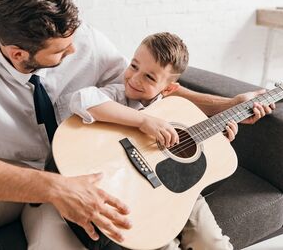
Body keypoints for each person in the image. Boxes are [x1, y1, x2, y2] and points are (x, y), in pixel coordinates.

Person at [0, 0, 273, 250]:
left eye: (74, 39)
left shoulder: (81, 38)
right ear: (17, 54)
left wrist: (226, 105)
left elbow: (150, 91)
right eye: (60, 50)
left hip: (84, 177)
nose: (75, 50)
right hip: (13, 175)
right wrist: (55, 188)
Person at [69, 32, 236, 250]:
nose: (135, 78)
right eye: (134, 66)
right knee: (163, 245)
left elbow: (196, 157)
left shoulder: (179, 109)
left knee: (215, 244)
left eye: (149, 77)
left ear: (168, 89)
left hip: (183, 190)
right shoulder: (118, 96)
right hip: (141, 193)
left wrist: (219, 141)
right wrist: (143, 121)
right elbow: (82, 100)